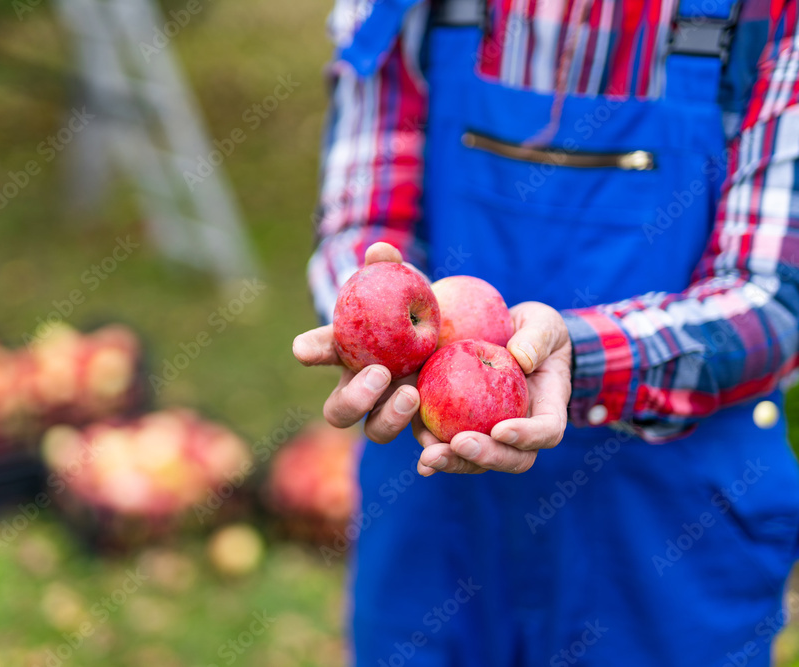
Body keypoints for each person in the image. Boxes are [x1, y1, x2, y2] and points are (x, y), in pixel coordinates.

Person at [292, 0, 799, 664]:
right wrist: (376, 341)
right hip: (431, 510)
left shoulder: (768, 16)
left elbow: (772, 302)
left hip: (665, 533)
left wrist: (576, 354)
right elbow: (363, 221)